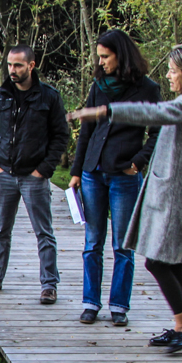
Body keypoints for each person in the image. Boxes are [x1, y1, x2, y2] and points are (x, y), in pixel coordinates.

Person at [67, 43, 182, 353]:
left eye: (174, 72)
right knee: (170, 264)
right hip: (175, 192)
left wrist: (108, 110)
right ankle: (180, 325)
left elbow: (155, 114)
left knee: (158, 263)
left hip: (179, 195)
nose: (169, 76)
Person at [68, 30, 161, 327]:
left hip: (124, 174)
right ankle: (90, 303)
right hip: (93, 172)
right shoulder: (99, 85)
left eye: (105, 56)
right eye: (99, 56)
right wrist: (75, 171)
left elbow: (157, 132)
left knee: (122, 245)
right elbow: (87, 129)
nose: (100, 61)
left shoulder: (147, 89)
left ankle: (119, 306)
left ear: (121, 55)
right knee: (92, 241)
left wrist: (138, 162)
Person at [0, 44, 71, 305]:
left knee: (44, 232)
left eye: (18, 66)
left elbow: (61, 136)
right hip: (4, 173)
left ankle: (49, 285)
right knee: (1, 230)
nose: (12, 70)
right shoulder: (1, 95)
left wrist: (43, 170)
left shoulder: (49, 97)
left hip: (34, 176)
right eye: (9, 65)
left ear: (31, 66)